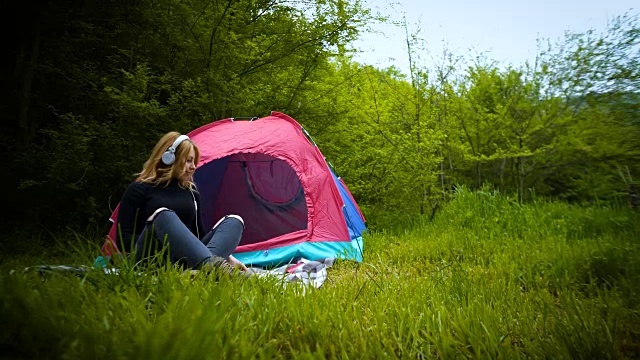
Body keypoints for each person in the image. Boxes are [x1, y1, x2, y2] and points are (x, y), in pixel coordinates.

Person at [116, 131, 250, 276]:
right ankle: (215, 269)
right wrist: (175, 243)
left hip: (186, 261)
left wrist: (227, 256)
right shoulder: (139, 189)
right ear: (169, 159)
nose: (193, 167)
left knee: (234, 221)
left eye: (194, 162)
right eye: (188, 161)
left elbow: (198, 236)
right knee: (164, 215)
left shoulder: (191, 193)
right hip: (152, 258)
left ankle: (203, 271)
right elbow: (123, 239)